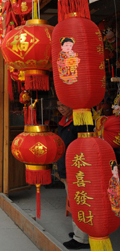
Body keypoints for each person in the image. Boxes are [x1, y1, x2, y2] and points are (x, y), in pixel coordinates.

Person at [56, 101, 89, 250]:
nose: (61, 109)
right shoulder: (63, 122)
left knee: (79, 203)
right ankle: (79, 232)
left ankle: (81, 239)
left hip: (77, 169)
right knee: (74, 202)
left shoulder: (79, 122)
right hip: (66, 168)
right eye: (58, 106)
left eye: (63, 105)